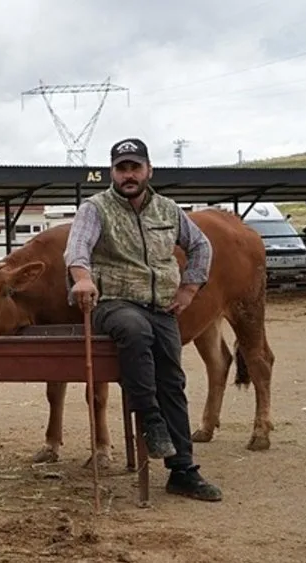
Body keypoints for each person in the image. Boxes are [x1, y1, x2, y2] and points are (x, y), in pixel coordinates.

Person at [64, 137, 222, 502]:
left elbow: (201, 245)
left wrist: (189, 289)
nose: (129, 175)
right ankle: (151, 422)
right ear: (112, 173)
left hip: (162, 307)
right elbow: (77, 248)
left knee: (172, 378)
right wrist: (83, 278)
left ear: (149, 170)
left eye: (135, 167)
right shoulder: (95, 209)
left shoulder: (168, 210)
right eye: (122, 169)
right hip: (115, 304)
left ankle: (183, 470)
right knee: (134, 332)